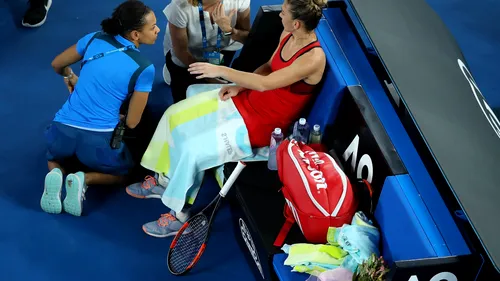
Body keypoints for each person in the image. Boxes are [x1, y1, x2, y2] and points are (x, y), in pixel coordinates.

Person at [126, 0, 327, 237]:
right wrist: (240, 87)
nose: (279, 14)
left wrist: (221, 71)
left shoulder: (313, 58)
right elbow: (268, 67)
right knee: (174, 114)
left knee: (193, 149)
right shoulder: (287, 33)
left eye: (283, 12)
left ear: (296, 23)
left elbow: (265, 84)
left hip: (263, 122)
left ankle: (179, 214)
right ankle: (164, 180)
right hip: (249, 99)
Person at [40, 0, 160, 217]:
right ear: (135, 35)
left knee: (54, 156)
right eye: (152, 27)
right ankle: (83, 179)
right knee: (125, 174)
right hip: (98, 142)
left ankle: (56, 172)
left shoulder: (93, 38)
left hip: (61, 131)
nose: (157, 30)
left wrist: (70, 76)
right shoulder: (144, 68)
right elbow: (132, 122)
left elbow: (57, 64)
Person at [163, 0, 251, 103]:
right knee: (183, 98)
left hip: (222, 48)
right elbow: (181, 51)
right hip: (188, 53)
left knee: (215, 94)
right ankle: (171, 71)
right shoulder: (179, 6)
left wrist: (228, 30)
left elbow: (246, 38)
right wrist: (208, 77)